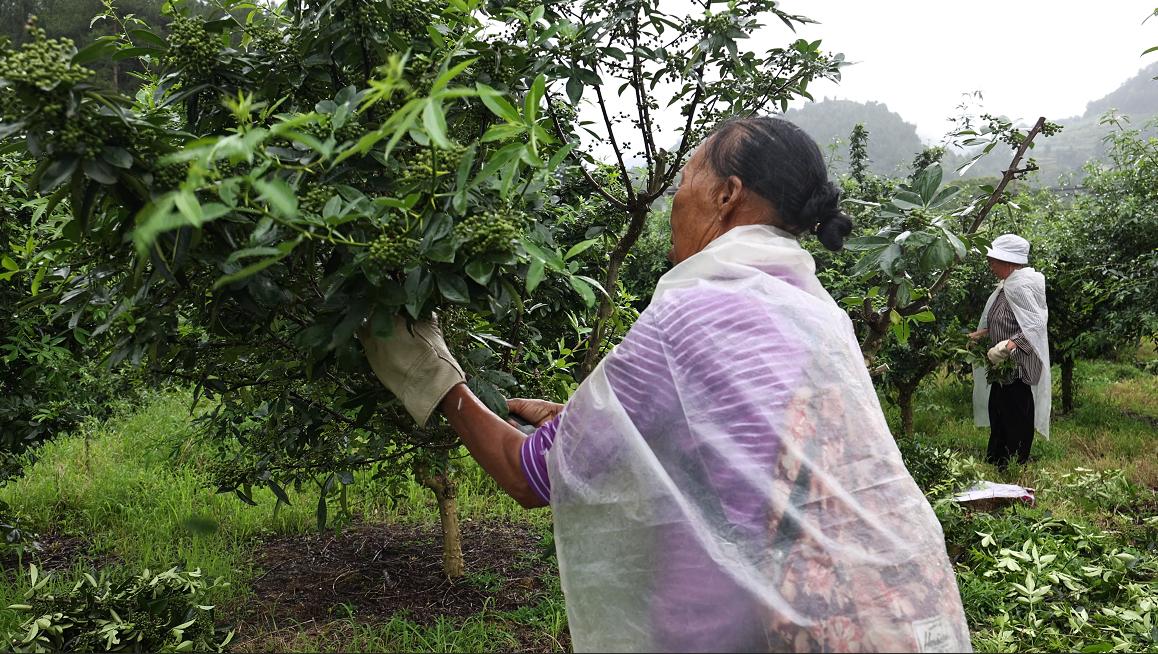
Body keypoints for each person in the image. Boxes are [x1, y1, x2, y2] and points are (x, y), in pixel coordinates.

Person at [360, 117, 971, 653]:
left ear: (728, 195)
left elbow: (529, 476)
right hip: (846, 611)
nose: (674, 201)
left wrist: (437, 379)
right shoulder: (816, 311)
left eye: (684, 182)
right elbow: (749, 445)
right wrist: (594, 421)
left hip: (721, 629)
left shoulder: (689, 315)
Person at [968, 234, 1051, 471]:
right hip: (1002, 366)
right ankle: (997, 460)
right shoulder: (1007, 286)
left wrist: (1008, 345)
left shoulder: (1021, 286)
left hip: (1018, 366)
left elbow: (1036, 324)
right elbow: (1005, 318)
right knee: (999, 410)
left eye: (993, 260)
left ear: (1008, 262)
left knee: (1016, 413)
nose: (990, 265)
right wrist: (982, 333)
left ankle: (1014, 463)